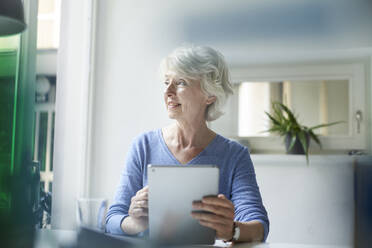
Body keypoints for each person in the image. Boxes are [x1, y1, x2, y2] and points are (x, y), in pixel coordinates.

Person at [105, 45, 269, 243]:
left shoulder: (234, 155)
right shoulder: (143, 145)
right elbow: (112, 219)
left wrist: (231, 230)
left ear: (210, 95)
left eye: (180, 82)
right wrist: (135, 223)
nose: (168, 91)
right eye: (166, 82)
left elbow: (259, 226)